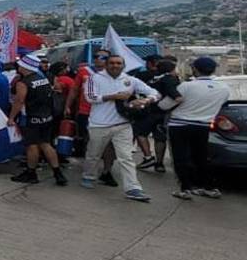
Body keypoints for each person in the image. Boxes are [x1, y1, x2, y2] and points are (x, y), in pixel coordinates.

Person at [81, 54, 159, 201]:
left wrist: (146, 100)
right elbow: (90, 97)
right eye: (112, 63)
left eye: (118, 63)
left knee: (126, 157)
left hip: (123, 125)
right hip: (99, 125)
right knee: (93, 154)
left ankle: (133, 188)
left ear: (123, 65)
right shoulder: (94, 78)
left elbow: (155, 93)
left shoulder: (130, 80)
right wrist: (113, 97)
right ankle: (89, 176)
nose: (115, 65)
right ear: (106, 64)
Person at [167, 57, 231, 200]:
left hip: (179, 125)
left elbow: (165, 105)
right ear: (213, 70)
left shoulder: (186, 86)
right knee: (201, 156)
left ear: (195, 69)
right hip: (203, 125)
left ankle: (185, 188)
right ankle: (207, 186)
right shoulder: (224, 88)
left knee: (180, 157)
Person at [8, 54, 67, 185]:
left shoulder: (23, 83)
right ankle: (58, 173)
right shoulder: (43, 79)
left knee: (32, 146)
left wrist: (11, 118)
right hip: (46, 117)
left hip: (30, 118)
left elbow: (19, 101)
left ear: (24, 66)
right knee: (46, 144)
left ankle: (31, 173)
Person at [69, 50, 118, 185]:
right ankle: (90, 172)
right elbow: (74, 90)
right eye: (96, 56)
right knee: (91, 143)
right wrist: (68, 106)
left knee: (109, 145)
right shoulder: (84, 71)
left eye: (103, 57)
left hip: (108, 115)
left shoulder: (115, 74)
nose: (99, 59)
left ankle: (107, 171)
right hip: (86, 112)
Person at [137, 59, 180, 173]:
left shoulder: (153, 79)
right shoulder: (171, 80)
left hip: (149, 111)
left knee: (141, 134)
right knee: (160, 138)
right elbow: (177, 97)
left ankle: (148, 157)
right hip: (163, 114)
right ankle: (159, 163)